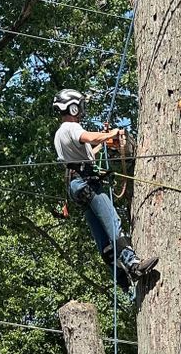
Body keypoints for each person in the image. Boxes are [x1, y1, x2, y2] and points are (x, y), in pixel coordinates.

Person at [53, 88, 158, 290]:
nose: (82, 111)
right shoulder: (70, 127)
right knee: (112, 222)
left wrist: (103, 140)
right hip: (85, 183)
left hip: (76, 185)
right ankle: (133, 264)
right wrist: (110, 134)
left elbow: (87, 153)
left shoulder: (60, 134)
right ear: (73, 107)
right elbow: (89, 138)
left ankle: (119, 276)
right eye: (80, 106)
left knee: (100, 234)